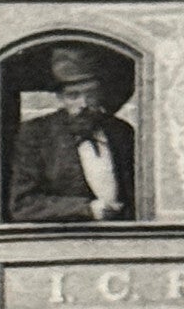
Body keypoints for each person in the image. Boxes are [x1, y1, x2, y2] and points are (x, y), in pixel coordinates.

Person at [8, 43, 135, 223]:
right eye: (73, 96)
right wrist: (87, 209)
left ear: (101, 94)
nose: (83, 103)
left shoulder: (121, 132)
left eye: (90, 94)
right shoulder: (36, 135)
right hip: (61, 242)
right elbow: (23, 205)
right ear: (61, 98)